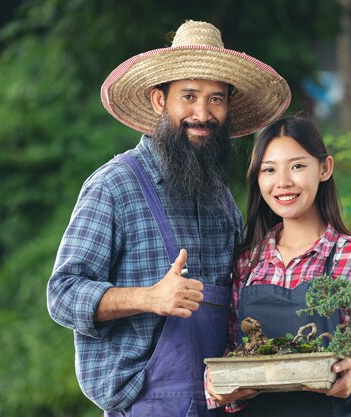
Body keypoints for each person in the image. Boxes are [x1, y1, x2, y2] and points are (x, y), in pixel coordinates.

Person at [46, 20, 290, 416]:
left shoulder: (222, 202)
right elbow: (62, 295)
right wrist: (151, 298)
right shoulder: (115, 186)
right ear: (160, 101)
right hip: (143, 404)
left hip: (219, 404)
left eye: (216, 99)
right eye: (189, 96)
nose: (203, 113)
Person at [205, 115, 351, 416]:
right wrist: (215, 385)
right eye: (269, 170)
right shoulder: (247, 261)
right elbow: (230, 349)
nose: (283, 182)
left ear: (324, 168)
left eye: (298, 166)